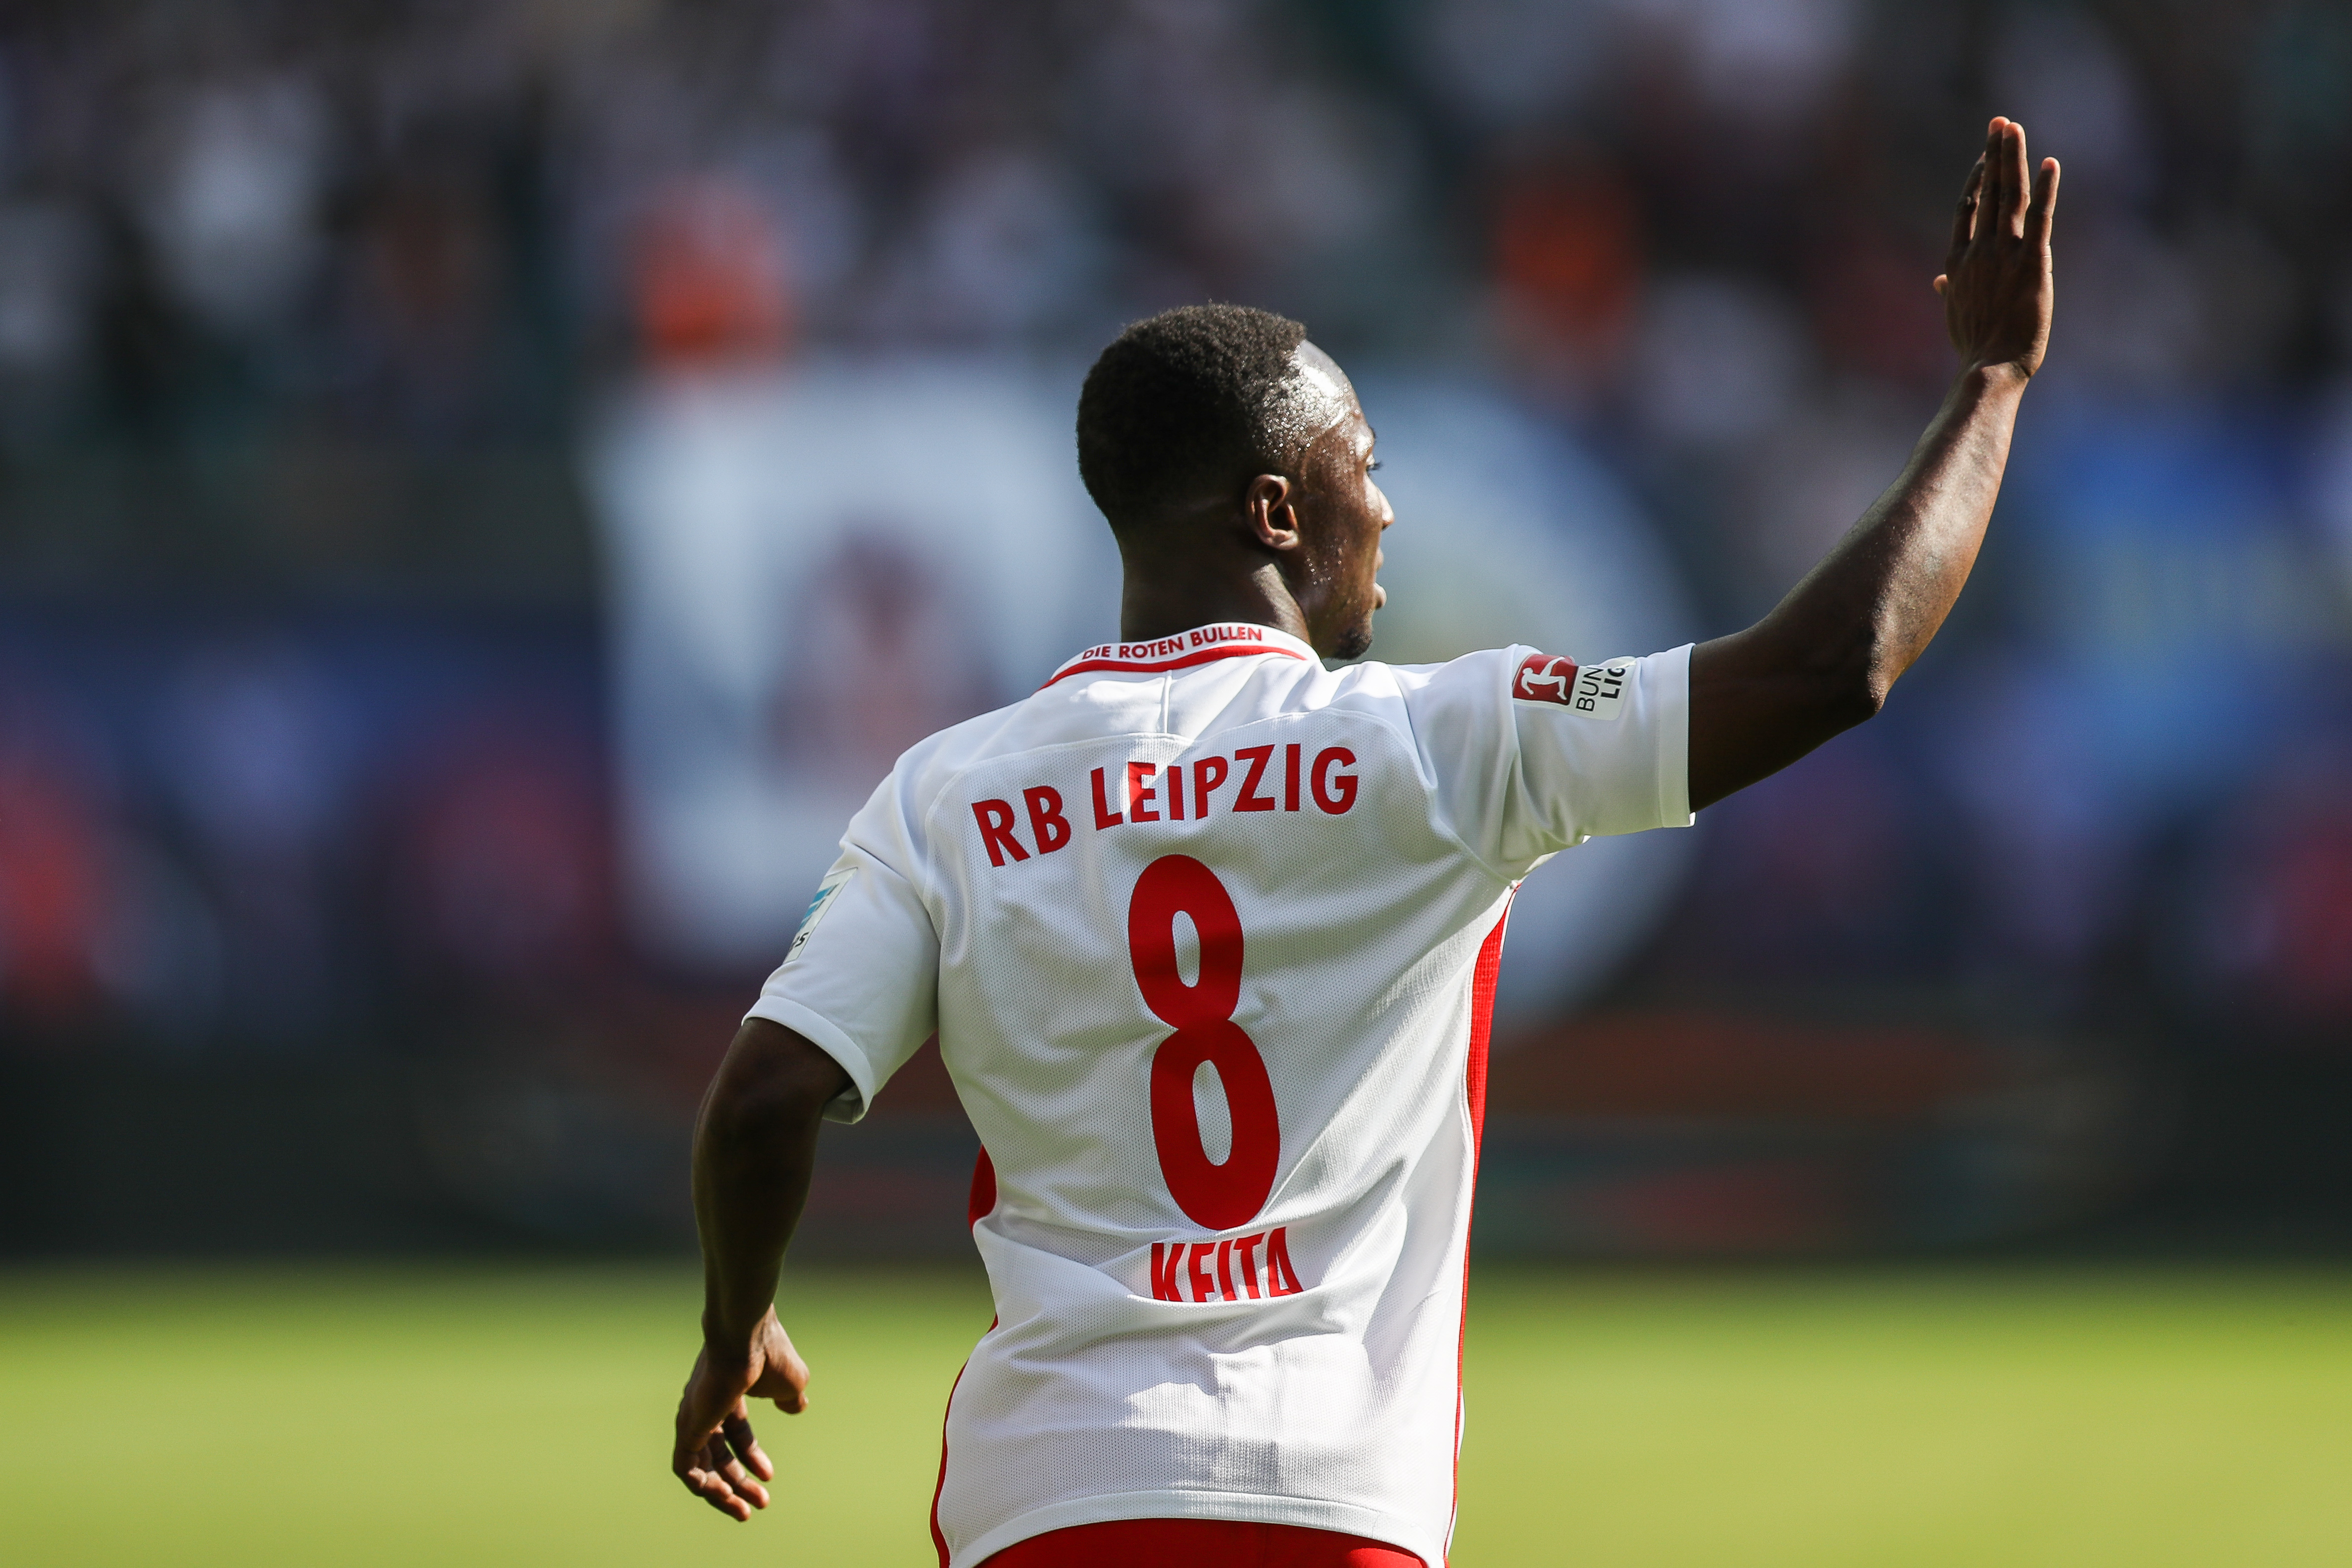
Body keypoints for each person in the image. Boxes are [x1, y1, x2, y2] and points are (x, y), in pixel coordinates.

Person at [671, 118, 2060, 1566]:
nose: (1384, 508)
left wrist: (733, 1323)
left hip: (1046, 1496)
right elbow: (1827, 666)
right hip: (1330, 1501)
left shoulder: (941, 794)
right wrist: (1992, 383)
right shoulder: (1437, 745)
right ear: (1276, 510)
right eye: (1362, 465)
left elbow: (767, 1093)